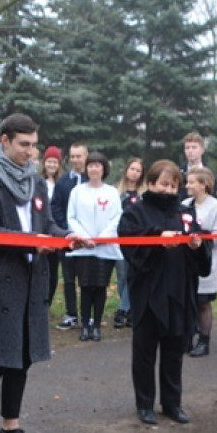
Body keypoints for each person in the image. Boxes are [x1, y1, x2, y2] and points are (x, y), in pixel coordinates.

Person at [0, 114, 91, 433]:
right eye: (24, 145)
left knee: (21, 357)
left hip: (33, 281)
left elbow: (47, 223)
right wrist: (30, 241)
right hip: (0, 283)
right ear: (4, 141)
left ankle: (11, 427)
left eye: (34, 145)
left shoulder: (37, 182)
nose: (31, 152)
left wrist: (66, 236)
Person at [118, 160, 212, 425]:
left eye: (173, 185)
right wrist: (158, 239)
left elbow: (202, 259)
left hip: (178, 292)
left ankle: (172, 403)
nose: (169, 190)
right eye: (164, 184)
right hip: (148, 293)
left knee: (174, 352)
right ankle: (145, 404)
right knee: (145, 352)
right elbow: (129, 245)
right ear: (150, 183)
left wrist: (196, 246)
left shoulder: (185, 213)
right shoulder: (135, 212)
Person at [66, 151, 123, 341]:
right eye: (90, 165)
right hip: (83, 248)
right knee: (85, 286)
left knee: (100, 287)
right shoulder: (77, 191)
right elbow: (71, 217)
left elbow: (116, 218)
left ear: (103, 169)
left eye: (97, 165)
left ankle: (97, 325)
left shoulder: (111, 192)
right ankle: (85, 325)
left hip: (105, 248)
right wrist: (84, 237)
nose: (94, 169)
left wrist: (100, 238)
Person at [183, 167, 217, 357]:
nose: (187, 185)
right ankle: (186, 338)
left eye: (191, 182)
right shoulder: (185, 204)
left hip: (206, 262)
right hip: (186, 263)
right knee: (186, 302)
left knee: (203, 303)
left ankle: (204, 341)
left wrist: (201, 237)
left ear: (203, 185)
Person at [50, 142, 89, 329]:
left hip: (89, 240)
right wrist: (67, 231)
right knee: (68, 278)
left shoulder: (93, 180)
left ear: (86, 156)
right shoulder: (63, 182)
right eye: (72, 156)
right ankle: (71, 313)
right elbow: (56, 208)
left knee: (87, 278)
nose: (75, 160)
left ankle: (88, 314)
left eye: (78, 156)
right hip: (67, 238)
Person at [113, 157, 145, 329]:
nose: (134, 173)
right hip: (118, 239)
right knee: (122, 277)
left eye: (138, 170)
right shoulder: (116, 192)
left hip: (137, 241)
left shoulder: (143, 195)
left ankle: (125, 309)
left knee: (132, 275)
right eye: (132, 169)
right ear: (127, 170)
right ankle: (127, 306)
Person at [41, 146, 64, 305]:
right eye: (49, 161)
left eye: (55, 162)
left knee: (53, 269)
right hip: (41, 229)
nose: (51, 165)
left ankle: (48, 301)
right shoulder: (39, 181)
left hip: (56, 230)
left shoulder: (61, 183)